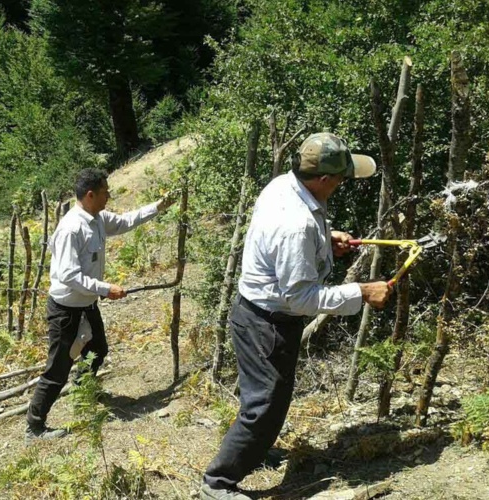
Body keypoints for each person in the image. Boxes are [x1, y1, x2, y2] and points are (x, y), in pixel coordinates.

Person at [200, 133, 393, 499]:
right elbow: (301, 297)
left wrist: (326, 239)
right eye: (340, 179)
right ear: (323, 179)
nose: (340, 185)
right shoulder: (298, 224)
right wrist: (362, 292)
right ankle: (218, 483)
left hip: (258, 313)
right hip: (266, 323)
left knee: (268, 399)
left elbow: (287, 247)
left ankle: (254, 449)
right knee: (265, 403)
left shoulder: (284, 186)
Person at [25, 168, 175, 441]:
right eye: (105, 192)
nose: (109, 197)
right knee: (57, 368)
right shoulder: (72, 228)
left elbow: (126, 221)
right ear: (91, 195)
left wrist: (158, 206)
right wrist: (106, 289)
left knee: (98, 349)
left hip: (86, 304)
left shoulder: (97, 218)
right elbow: (68, 276)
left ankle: (82, 389)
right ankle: (34, 427)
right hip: (66, 310)